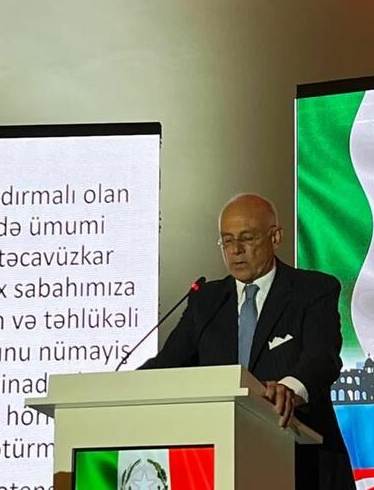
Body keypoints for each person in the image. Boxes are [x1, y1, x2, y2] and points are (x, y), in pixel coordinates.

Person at [141, 194, 355, 490]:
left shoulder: (313, 290)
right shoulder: (206, 300)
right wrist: (121, 390)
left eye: (247, 238)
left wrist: (289, 390)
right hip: (218, 464)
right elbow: (167, 365)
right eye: (227, 240)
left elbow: (322, 358)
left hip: (303, 463)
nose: (236, 250)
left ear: (275, 237)